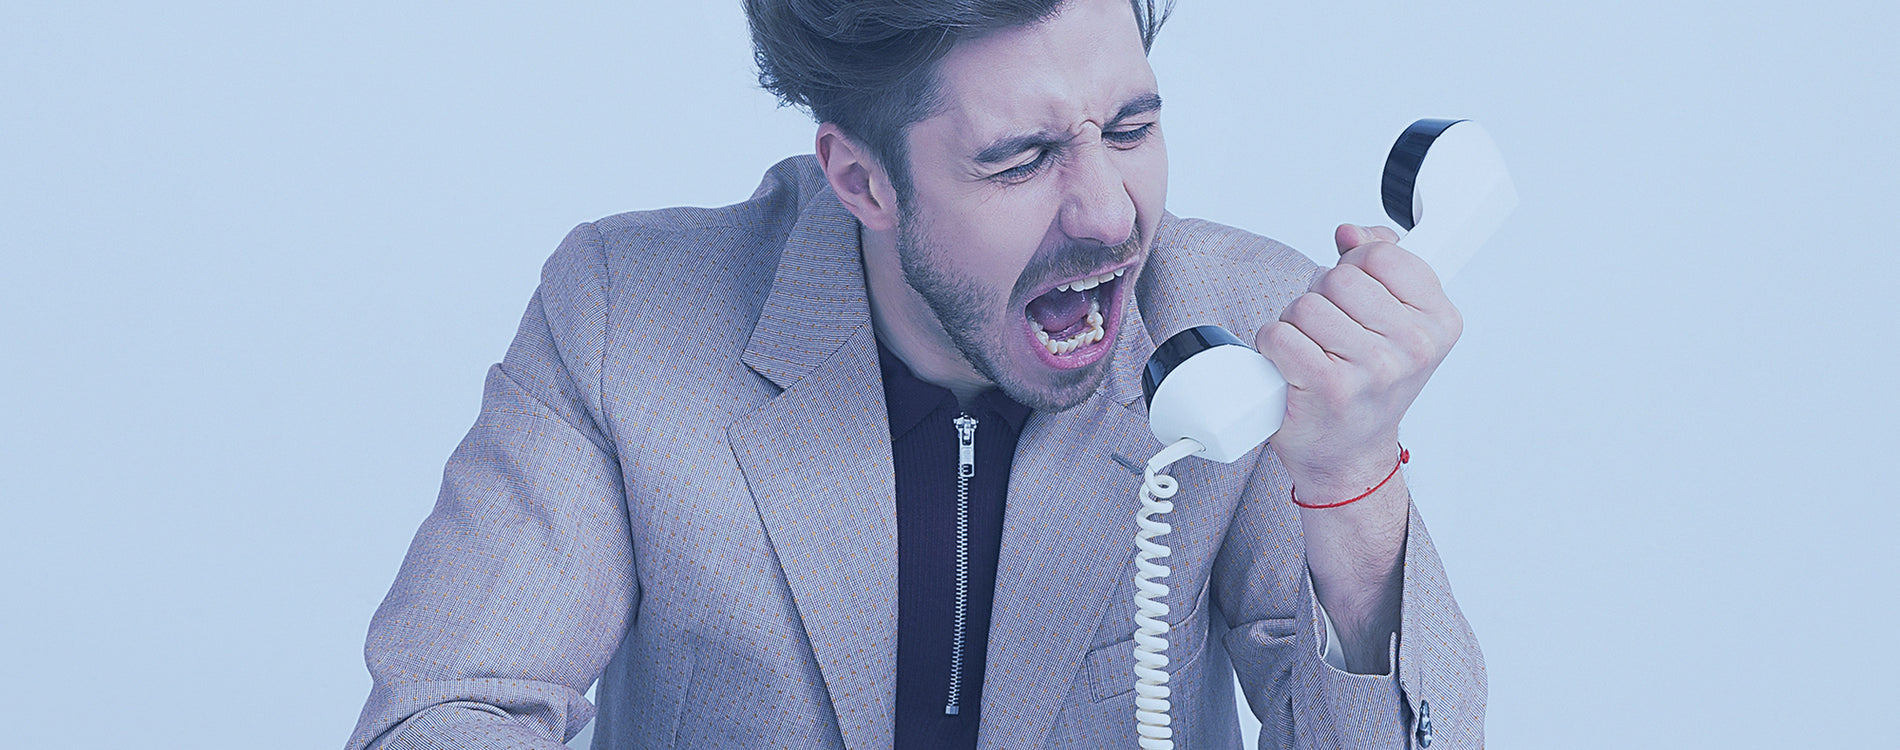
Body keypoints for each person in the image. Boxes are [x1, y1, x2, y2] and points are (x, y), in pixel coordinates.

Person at [346, 0, 1484, 747]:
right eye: (1021, 158)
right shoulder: (624, 314)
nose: (1106, 212)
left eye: (1131, 128)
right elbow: (447, 707)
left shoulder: (1241, 327)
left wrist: (1352, 485)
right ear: (862, 179)